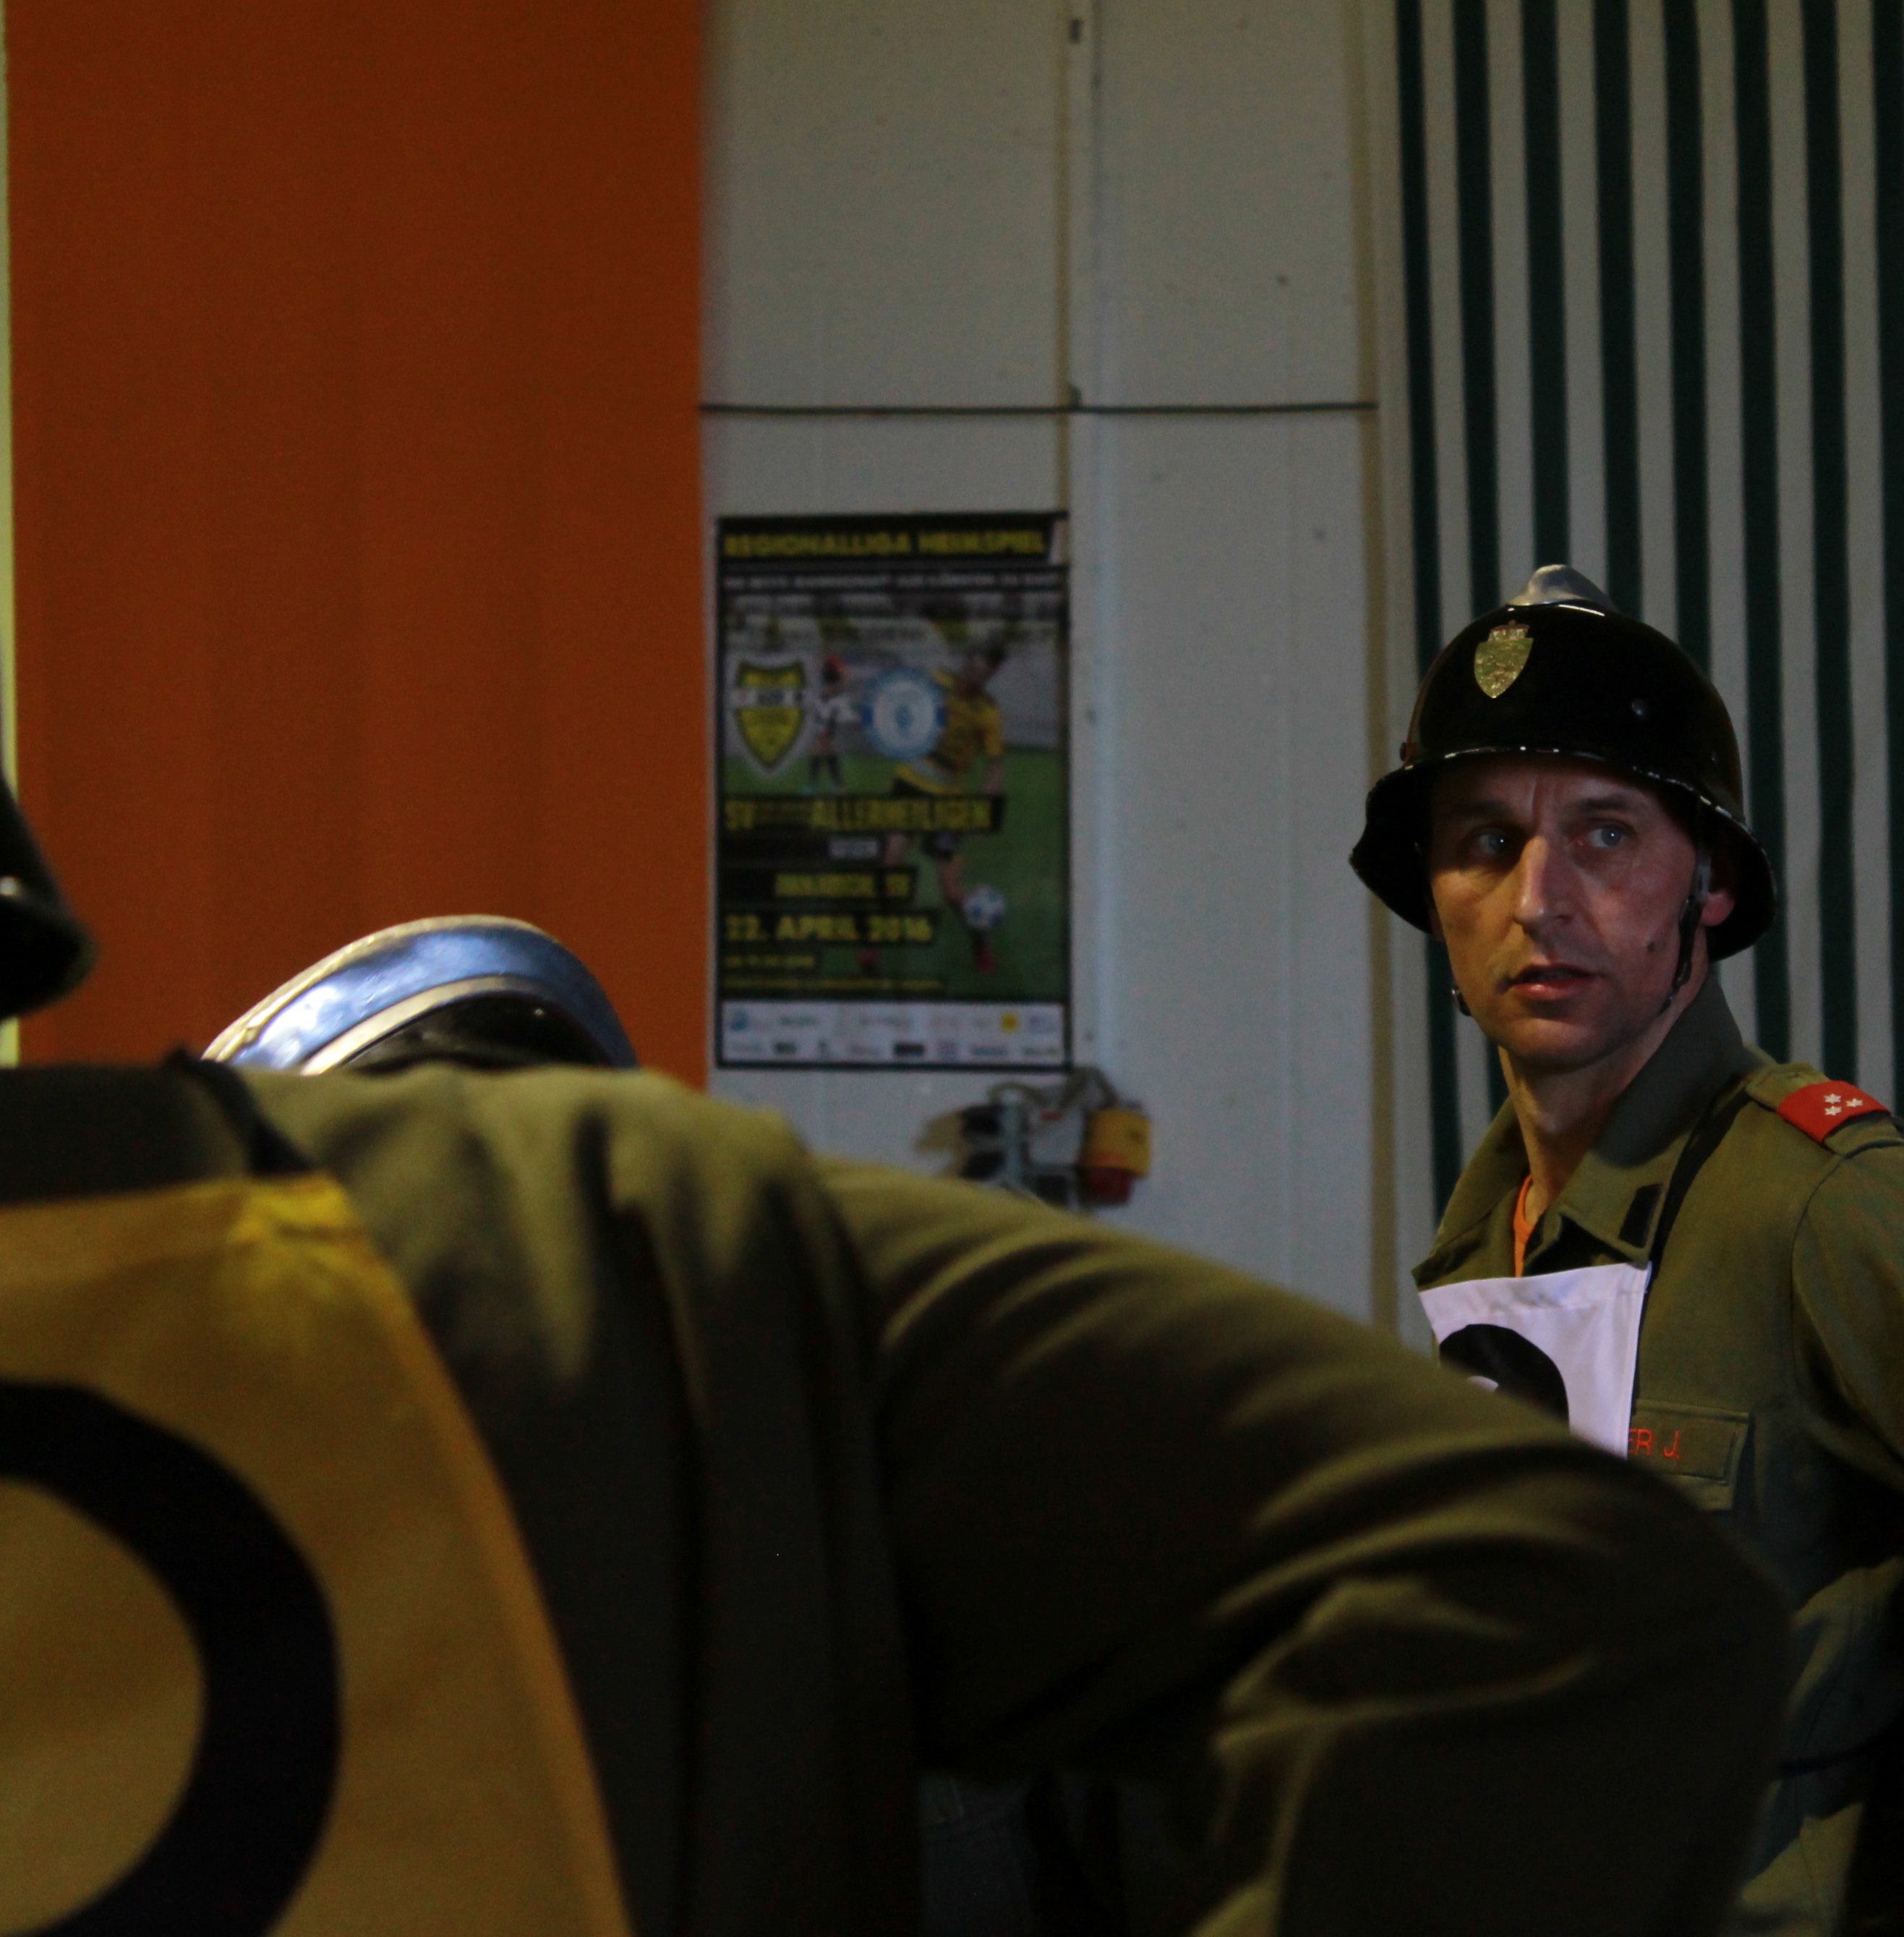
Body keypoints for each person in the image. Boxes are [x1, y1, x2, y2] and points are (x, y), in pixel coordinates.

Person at [0, 771, 1791, 1937]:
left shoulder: (714, 1333)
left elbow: (1564, 1609)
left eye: (1603, 835)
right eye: (1488, 840)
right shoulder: (695, 1300)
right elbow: (1570, 1612)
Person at [1351, 565, 1904, 1937]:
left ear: (1711, 884)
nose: (1538, 898)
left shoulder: (1829, 1206)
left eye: (1606, 835)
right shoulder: (1494, 1228)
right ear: (1433, 895)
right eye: (1484, 841)